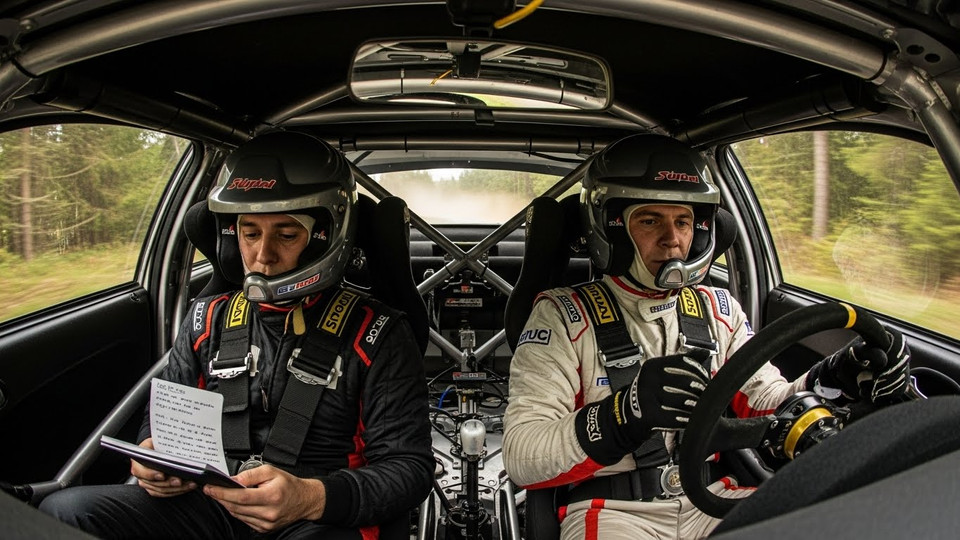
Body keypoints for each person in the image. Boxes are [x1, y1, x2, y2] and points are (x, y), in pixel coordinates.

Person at [501, 133, 911, 539]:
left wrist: (833, 378)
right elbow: (521, 454)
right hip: (614, 512)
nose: (673, 240)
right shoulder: (562, 314)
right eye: (649, 220)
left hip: (714, 498)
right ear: (609, 228)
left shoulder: (718, 307)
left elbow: (765, 401)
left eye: (682, 221)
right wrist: (625, 414)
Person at [40, 131, 434, 539]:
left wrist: (312, 497)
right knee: (62, 512)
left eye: (286, 234)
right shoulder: (206, 320)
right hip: (212, 502)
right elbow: (163, 424)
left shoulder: (378, 333)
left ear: (327, 236)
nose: (262, 255)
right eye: (250, 233)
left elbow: (409, 467)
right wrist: (153, 456)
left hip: (317, 516)